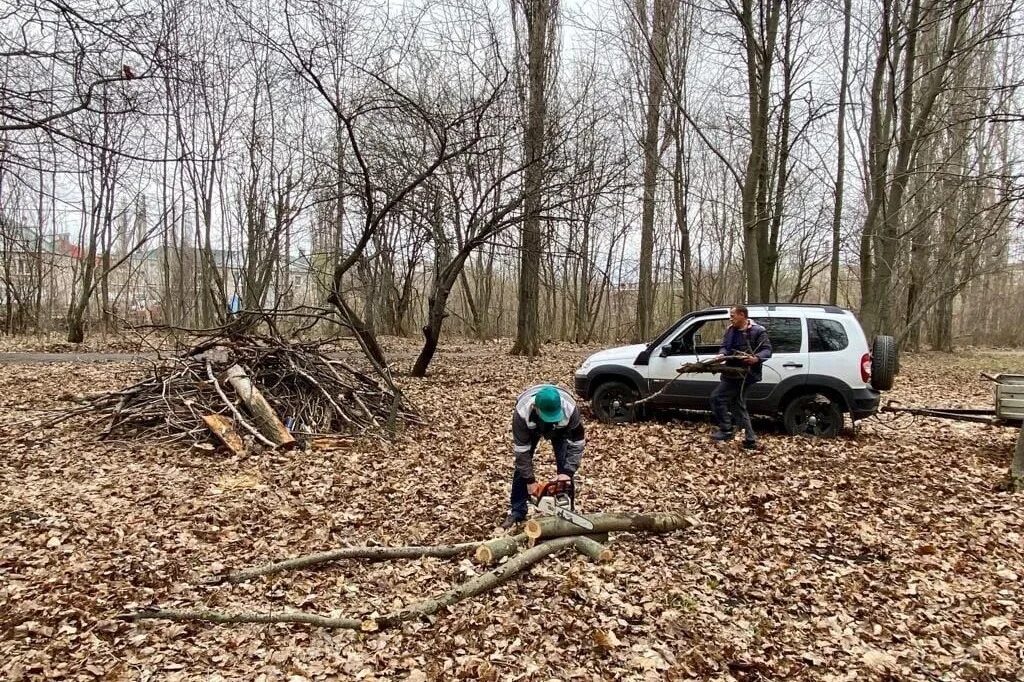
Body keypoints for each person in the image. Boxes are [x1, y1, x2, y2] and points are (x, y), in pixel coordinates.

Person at [502, 383, 586, 529]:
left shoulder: (571, 410)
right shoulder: (522, 413)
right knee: (521, 469)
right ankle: (518, 511)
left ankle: (567, 509)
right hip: (531, 428)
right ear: (536, 408)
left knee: (564, 466)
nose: (551, 419)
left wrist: (568, 472)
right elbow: (522, 452)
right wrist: (530, 481)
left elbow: (577, 443)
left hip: (561, 430)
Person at [710, 305, 772, 449]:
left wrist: (756, 358)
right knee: (738, 405)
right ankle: (750, 440)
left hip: (745, 375)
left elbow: (767, 350)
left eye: (733, 315)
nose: (730, 318)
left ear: (742, 315)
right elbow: (725, 346)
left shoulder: (758, 331)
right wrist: (722, 354)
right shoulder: (730, 330)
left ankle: (726, 429)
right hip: (730, 373)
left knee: (717, 397)